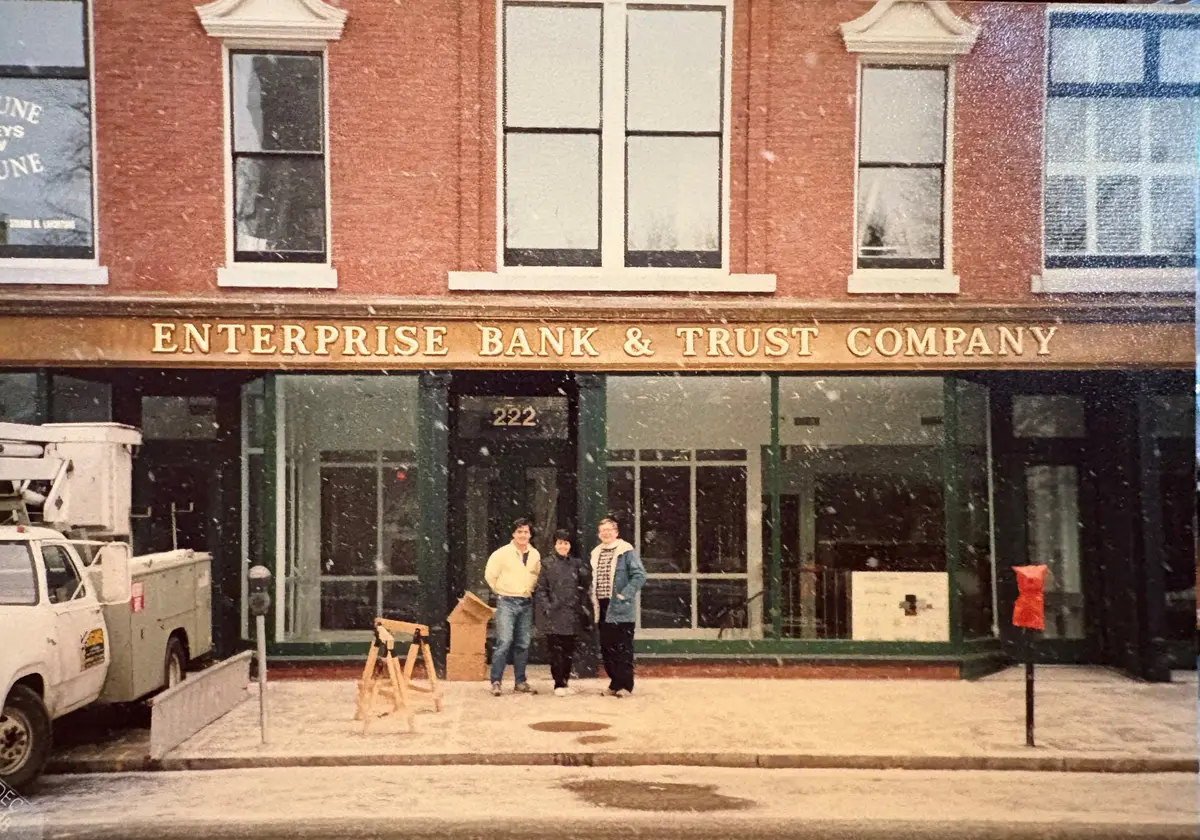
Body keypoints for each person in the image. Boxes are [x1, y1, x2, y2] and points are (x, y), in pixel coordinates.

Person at [589, 517, 646, 697]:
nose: (606, 533)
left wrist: (624, 594)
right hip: (603, 606)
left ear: (616, 532)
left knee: (623, 648)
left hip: (620, 606)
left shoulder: (626, 551)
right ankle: (614, 683)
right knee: (607, 648)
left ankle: (625, 685)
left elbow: (639, 575)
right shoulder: (596, 552)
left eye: (609, 529)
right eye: (602, 530)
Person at [484, 518, 541, 696]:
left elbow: (537, 576)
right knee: (504, 641)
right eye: (519, 532)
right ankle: (496, 681)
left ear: (530, 534)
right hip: (506, 602)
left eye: (526, 532)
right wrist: (502, 591)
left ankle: (520, 682)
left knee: (523, 643)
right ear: (513, 534)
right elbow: (490, 575)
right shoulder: (501, 554)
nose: (523, 535)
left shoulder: (535, 555)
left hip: (526, 602)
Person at [534, 529, 592, 697]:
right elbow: (541, 589)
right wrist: (548, 606)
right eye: (560, 542)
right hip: (554, 614)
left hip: (571, 613)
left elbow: (584, 586)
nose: (563, 546)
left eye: (566, 543)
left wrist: (580, 605)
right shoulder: (547, 564)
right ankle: (558, 682)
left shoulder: (577, 564)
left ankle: (565, 681)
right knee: (555, 651)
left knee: (568, 650)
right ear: (555, 545)